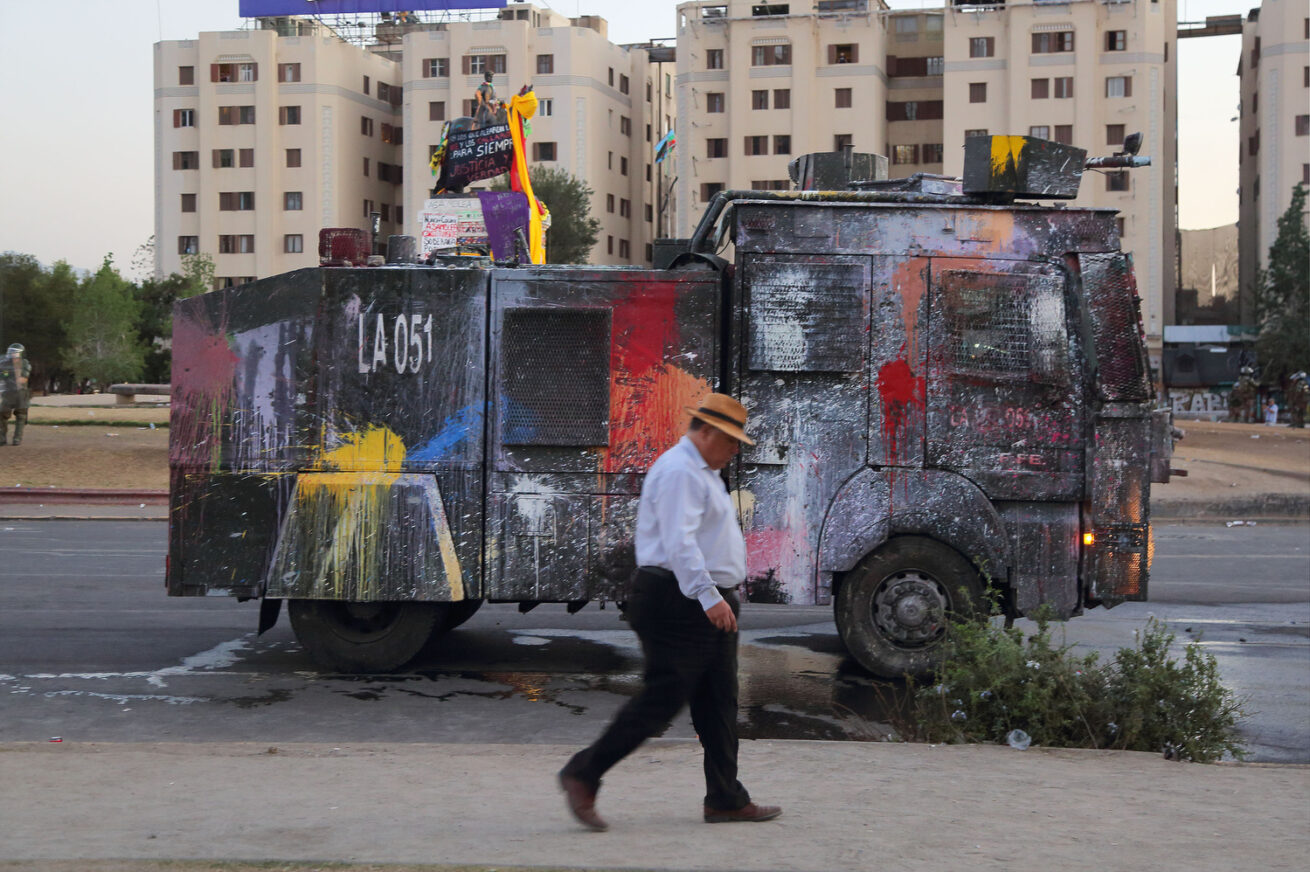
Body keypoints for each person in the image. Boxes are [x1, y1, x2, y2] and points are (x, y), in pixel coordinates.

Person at [558, 394, 782, 831]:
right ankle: (583, 773)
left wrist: (718, 595)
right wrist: (709, 597)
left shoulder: (703, 471)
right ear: (708, 432)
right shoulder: (681, 471)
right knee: (663, 698)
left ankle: (725, 798)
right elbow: (680, 544)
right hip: (678, 600)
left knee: (718, 701)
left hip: (701, 598)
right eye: (732, 441)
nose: (736, 450)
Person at [0, 343, 32, 446]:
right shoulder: (4, 363)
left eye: (15, 352)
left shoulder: (25, 363)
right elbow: (2, 375)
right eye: (11, 352)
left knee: (21, 416)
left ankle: (17, 438)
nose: (12, 354)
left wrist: (12, 373)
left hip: (20, 393)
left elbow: (23, 378)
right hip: (7, 393)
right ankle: (2, 438)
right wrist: (5, 374)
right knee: (2, 415)